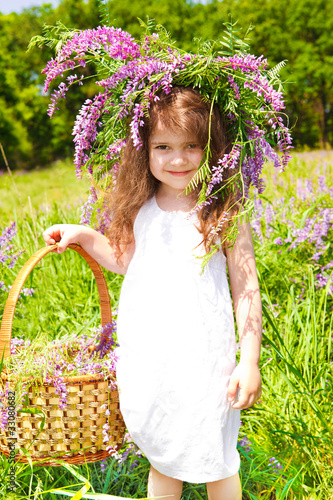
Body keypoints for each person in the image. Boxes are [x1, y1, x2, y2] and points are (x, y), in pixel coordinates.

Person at [43, 86, 262, 500]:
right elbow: (124, 260)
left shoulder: (222, 210)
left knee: (216, 453)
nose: (177, 159)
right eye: (163, 146)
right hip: (152, 357)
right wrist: (84, 235)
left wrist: (249, 361)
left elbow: (246, 286)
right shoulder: (140, 207)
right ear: (143, 148)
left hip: (205, 358)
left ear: (211, 149)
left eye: (191, 146)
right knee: (162, 452)